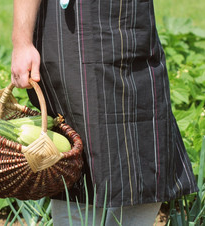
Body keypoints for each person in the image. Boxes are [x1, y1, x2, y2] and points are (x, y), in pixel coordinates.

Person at [11, 0, 198, 225]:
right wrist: (21, 42)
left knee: (146, 158)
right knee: (78, 164)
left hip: (132, 25)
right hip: (74, 29)